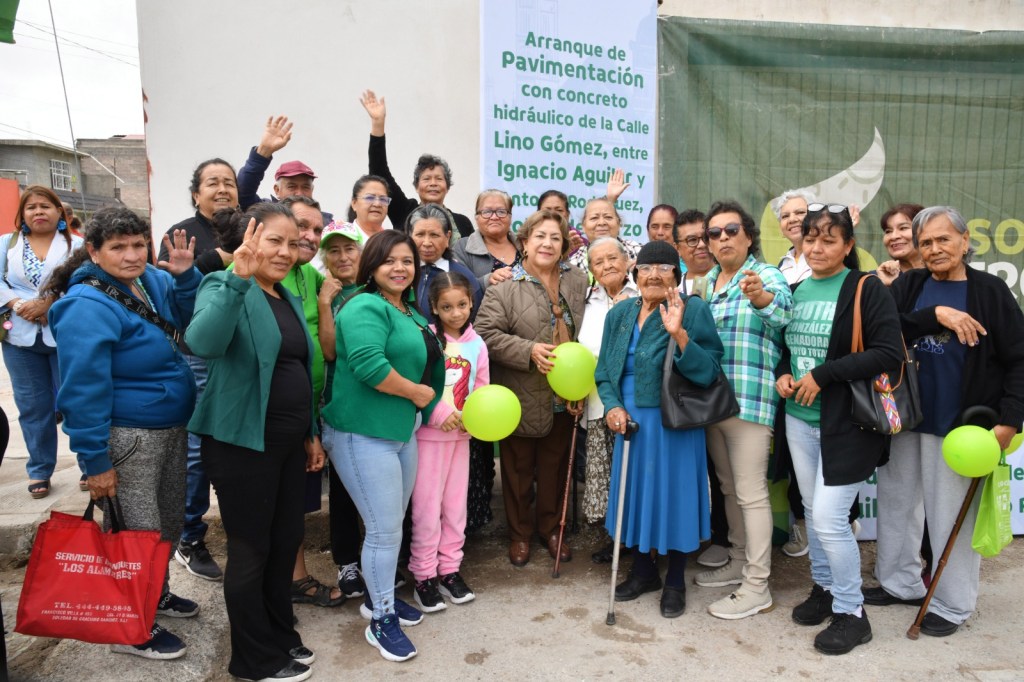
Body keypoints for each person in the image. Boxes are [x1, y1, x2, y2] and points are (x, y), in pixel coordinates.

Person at [47, 207, 201, 660]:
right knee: (135, 530)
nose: (132, 255)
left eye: (138, 245)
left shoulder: (151, 280)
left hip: (170, 427)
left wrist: (185, 278)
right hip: (128, 437)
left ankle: (155, 594)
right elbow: (82, 389)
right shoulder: (84, 305)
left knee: (167, 522)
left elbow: (189, 325)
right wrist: (95, 461)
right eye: (118, 247)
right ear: (93, 252)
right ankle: (132, 626)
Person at [867, 206, 1024, 637]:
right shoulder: (910, 284)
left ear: (964, 240)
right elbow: (884, 330)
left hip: (959, 427)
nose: (934, 248)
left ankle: (952, 604)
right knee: (897, 504)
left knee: (951, 515)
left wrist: (1011, 418)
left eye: (943, 239)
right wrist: (936, 314)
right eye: (926, 242)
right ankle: (899, 583)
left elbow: (1018, 359)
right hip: (905, 417)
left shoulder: (989, 291)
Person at [186, 203, 322, 681]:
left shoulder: (284, 294)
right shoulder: (224, 284)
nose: (285, 252)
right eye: (274, 241)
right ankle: (253, 660)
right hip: (243, 444)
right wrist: (237, 280)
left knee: (285, 542)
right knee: (251, 549)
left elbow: (298, 369)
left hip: (287, 444)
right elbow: (202, 342)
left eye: (293, 243)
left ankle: (279, 634)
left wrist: (309, 435)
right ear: (250, 240)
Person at [775, 204, 904, 654]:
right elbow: (788, 346)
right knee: (813, 512)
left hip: (849, 422)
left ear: (848, 245)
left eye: (829, 240)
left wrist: (824, 374)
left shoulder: (866, 288)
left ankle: (852, 613)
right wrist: (785, 373)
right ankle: (825, 588)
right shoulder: (795, 289)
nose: (816, 247)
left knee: (830, 519)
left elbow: (888, 352)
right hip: (800, 419)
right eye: (810, 238)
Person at [320, 230, 445, 662]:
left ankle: (378, 599)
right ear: (372, 265)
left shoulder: (408, 310)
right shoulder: (363, 305)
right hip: (362, 432)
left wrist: (421, 404)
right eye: (389, 260)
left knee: (390, 526)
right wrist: (416, 393)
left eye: (407, 261)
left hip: (399, 431)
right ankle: (381, 620)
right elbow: (368, 365)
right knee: (384, 529)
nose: (399, 268)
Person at [596, 240, 724, 618]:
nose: (654, 275)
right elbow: (604, 372)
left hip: (675, 421)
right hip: (630, 424)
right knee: (636, 497)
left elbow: (709, 371)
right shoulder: (620, 314)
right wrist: (612, 405)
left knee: (675, 498)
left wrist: (679, 333)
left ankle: (676, 581)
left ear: (677, 275)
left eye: (664, 268)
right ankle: (643, 571)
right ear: (635, 274)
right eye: (646, 268)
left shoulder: (693, 309)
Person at [694, 200, 794, 620]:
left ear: (748, 236)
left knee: (751, 493)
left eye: (731, 230)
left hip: (750, 402)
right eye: (714, 233)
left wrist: (760, 297)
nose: (722, 238)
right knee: (729, 488)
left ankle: (757, 586)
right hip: (711, 402)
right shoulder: (706, 283)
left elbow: (783, 313)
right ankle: (738, 560)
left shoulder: (765, 274)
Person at [475, 210, 588, 567]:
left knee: (555, 468)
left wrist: (581, 384)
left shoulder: (578, 281)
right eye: (540, 236)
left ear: (564, 245)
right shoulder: (504, 286)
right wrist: (528, 350)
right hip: (519, 394)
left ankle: (552, 531)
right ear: (524, 241)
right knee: (518, 472)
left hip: (564, 395)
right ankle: (520, 534)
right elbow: (485, 335)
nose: (547, 244)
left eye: (555, 238)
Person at [160, 159, 239, 583]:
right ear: (196, 193)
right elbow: (173, 296)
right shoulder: (181, 234)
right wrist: (215, 259)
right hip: (197, 356)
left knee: (233, 448)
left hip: (240, 356)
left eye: (229, 182)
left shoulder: (247, 226)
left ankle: (240, 530)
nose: (223, 188)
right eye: (213, 182)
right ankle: (189, 537)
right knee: (196, 453)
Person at [410, 271, 489, 613]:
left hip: (461, 438)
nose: (456, 313)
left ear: (471, 303)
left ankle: (450, 570)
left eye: (462, 305)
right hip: (428, 438)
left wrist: (475, 417)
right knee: (427, 509)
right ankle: (423, 575)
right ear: (433, 307)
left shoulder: (478, 344)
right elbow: (419, 385)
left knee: (455, 508)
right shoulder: (425, 338)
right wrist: (438, 414)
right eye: (447, 307)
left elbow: (483, 389)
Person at [1, 185, 82, 498]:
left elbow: (86, 281)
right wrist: (19, 304)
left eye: (45, 206)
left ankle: (90, 466)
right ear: (22, 214)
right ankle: (40, 469)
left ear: (59, 212)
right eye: (31, 207)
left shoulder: (78, 245)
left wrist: (50, 303)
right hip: (20, 337)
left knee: (77, 402)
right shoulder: (6, 245)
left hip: (67, 335)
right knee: (32, 407)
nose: (38, 212)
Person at [315, 222, 369, 599]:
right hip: (340, 403)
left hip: (378, 401)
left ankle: (382, 561)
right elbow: (330, 351)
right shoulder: (326, 293)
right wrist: (324, 304)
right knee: (344, 489)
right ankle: (347, 563)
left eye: (350, 249)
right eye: (334, 250)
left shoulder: (376, 290)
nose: (343, 256)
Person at [577, 237, 638, 561]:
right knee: (608, 475)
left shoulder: (642, 293)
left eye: (612, 258)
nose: (607, 266)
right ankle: (617, 538)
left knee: (635, 472)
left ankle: (639, 539)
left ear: (627, 260)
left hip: (636, 400)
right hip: (599, 400)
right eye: (598, 262)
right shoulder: (588, 300)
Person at [361, 90, 473, 240]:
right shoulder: (404, 211)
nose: (433, 183)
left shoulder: (463, 223)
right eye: (426, 179)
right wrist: (378, 124)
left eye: (439, 179)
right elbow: (379, 172)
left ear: (447, 187)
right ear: (416, 186)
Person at [235, 114, 333, 221]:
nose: (299, 193)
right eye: (292, 186)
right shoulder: (265, 215)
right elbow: (243, 193)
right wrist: (262, 153)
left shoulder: (327, 224)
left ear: (312, 190)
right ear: (277, 190)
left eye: (305, 187)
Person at [407, 203, 482, 327]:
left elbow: (474, 325)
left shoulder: (464, 277)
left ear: (448, 237)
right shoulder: (401, 273)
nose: (427, 243)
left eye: (434, 235)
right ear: (410, 236)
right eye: (420, 234)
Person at [452, 189, 521, 292]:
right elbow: (457, 287)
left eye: (501, 212)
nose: (494, 217)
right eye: (487, 212)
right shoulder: (463, 247)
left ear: (510, 217)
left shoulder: (525, 246)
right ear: (477, 217)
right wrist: (486, 281)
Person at [569, 197, 642, 274]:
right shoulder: (574, 264)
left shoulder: (638, 251)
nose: (601, 222)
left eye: (608, 217)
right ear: (583, 226)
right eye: (594, 218)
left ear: (618, 223)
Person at [773, 189, 815, 286]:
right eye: (785, 216)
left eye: (800, 212)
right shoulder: (783, 264)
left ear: (816, 218)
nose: (792, 219)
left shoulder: (825, 256)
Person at [875, 203, 925, 286]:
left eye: (903, 228)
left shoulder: (940, 276)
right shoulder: (875, 279)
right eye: (888, 231)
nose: (893, 236)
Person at [673, 209, 713, 296]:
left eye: (705, 237)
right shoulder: (674, 290)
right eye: (692, 240)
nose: (702, 245)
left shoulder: (733, 280)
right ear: (677, 248)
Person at [347, 174, 393, 242]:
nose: (377, 204)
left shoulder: (392, 242)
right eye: (370, 198)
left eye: (383, 199)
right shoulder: (342, 237)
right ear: (354, 203)